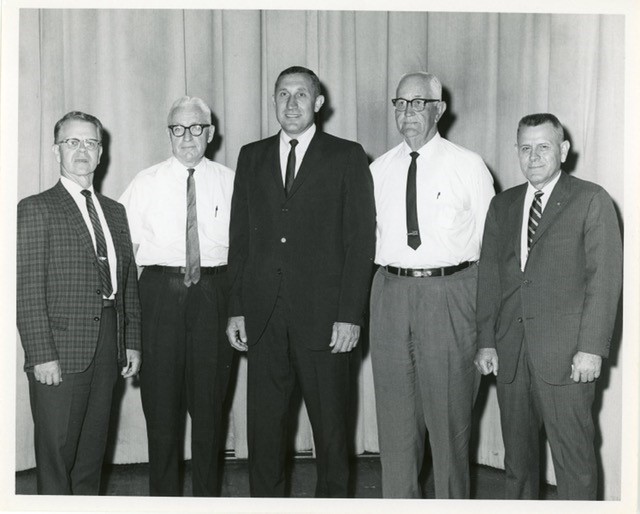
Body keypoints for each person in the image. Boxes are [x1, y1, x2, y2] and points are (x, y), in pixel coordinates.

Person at [226, 66, 376, 497]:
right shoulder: (250, 156)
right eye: (282, 95)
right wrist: (236, 306)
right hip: (264, 319)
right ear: (273, 101)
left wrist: (350, 316)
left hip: (326, 323)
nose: (291, 104)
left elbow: (360, 240)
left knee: (331, 435)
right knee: (265, 434)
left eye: (300, 95)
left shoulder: (346, 155)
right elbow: (239, 239)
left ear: (318, 102)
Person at [474, 113, 622, 500]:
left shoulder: (591, 199)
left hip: (567, 356)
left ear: (564, 150)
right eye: (526, 148)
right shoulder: (502, 206)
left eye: (543, 147)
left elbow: (603, 282)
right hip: (512, 352)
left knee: (574, 464)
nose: (534, 156)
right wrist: (486, 340)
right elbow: (489, 277)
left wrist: (591, 349)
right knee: (517, 466)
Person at [369, 71, 495, 499]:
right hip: (389, 293)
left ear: (439, 109)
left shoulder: (468, 165)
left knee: (448, 426)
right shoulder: (377, 170)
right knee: (395, 426)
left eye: (417, 103)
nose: (407, 113)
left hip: (449, 294)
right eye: (400, 103)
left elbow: (491, 250)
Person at [17, 111, 141, 495]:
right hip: (59, 350)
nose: (82, 150)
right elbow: (26, 290)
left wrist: (131, 340)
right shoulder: (37, 208)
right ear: (57, 151)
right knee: (57, 455)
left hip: (108, 345)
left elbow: (128, 284)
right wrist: (41, 355)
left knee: (92, 453)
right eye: (73, 142)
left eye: (90, 142)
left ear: (101, 153)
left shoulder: (115, 212)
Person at [119, 96, 235, 496]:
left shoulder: (231, 181)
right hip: (158, 297)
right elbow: (122, 256)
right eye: (178, 129)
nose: (188, 137)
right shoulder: (144, 182)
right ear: (169, 133)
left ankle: (207, 500)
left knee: (209, 413)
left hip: (214, 297)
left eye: (196, 128)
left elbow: (246, 252)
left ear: (210, 132)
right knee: (162, 414)